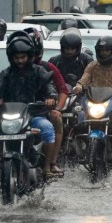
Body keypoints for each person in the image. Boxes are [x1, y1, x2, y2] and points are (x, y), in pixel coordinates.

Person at [0, 32, 59, 180]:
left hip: (34, 115)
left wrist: (51, 97)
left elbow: (49, 86)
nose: (20, 61)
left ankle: (47, 168)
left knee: (48, 129)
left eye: (23, 57)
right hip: (8, 118)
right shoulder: (5, 74)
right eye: (17, 58)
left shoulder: (39, 72)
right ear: (11, 58)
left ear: (30, 56)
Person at [23, 27, 69, 176]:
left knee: (56, 119)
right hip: (18, 113)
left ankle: (51, 163)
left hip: (42, 112)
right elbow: (0, 88)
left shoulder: (47, 69)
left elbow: (62, 89)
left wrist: (57, 108)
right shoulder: (10, 71)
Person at [72, 36, 112, 135]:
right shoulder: (92, 65)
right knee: (80, 109)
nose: (103, 53)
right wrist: (79, 86)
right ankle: (81, 131)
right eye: (101, 50)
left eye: (107, 50)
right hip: (94, 100)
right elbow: (84, 78)